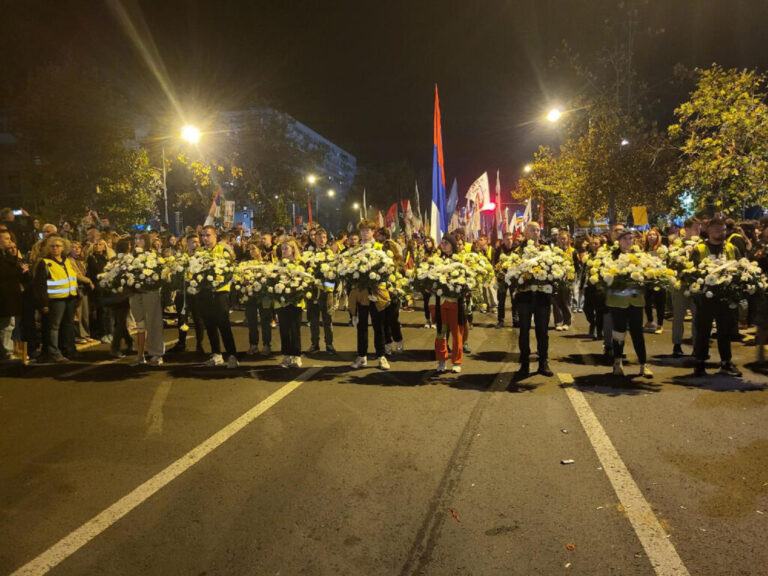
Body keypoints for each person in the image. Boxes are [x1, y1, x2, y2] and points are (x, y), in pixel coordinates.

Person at [692, 218, 742, 377]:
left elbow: (741, 267)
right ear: (709, 231)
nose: (722, 233)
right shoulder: (699, 249)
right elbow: (691, 272)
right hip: (705, 297)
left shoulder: (731, 248)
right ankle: (700, 363)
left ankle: (726, 362)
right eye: (718, 230)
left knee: (725, 331)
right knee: (703, 331)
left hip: (725, 297)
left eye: (724, 230)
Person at [606, 230, 652, 378]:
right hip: (617, 302)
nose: (628, 241)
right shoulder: (610, 257)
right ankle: (617, 362)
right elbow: (605, 278)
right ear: (619, 241)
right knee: (619, 332)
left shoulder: (639, 256)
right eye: (625, 238)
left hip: (635, 301)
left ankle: (643, 364)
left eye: (630, 238)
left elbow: (647, 276)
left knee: (637, 333)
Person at [514, 222, 553, 378]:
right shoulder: (518, 250)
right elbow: (513, 269)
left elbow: (553, 268)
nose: (535, 232)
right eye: (532, 230)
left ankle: (543, 362)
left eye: (537, 230)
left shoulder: (547, 249)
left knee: (542, 331)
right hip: (524, 296)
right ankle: (524, 364)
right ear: (526, 232)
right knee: (524, 331)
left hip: (543, 297)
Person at [349, 219, 389, 370]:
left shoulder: (380, 247)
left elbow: (387, 267)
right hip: (361, 292)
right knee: (362, 325)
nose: (365, 233)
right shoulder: (356, 250)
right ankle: (362, 356)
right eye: (363, 230)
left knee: (378, 325)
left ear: (373, 232)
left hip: (376, 290)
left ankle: (381, 356)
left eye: (368, 230)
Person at [33, 236, 78, 362]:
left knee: (68, 325)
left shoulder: (67, 261)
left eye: (58, 246)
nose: (55, 248)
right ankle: (54, 352)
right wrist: (44, 303)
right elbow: (40, 285)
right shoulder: (45, 263)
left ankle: (67, 349)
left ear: (63, 248)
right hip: (55, 300)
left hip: (70, 298)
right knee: (54, 327)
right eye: (52, 246)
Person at [199, 225, 239, 368]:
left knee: (224, 324)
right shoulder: (200, 252)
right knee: (209, 324)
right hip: (205, 292)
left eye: (208, 235)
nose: (205, 238)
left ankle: (232, 355)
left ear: (215, 236)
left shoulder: (223, 250)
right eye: (203, 235)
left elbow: (230, 270)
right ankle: (216, 354)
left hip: (221, 292)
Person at [129, 233, 165, 367]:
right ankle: (140, 355)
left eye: (141, 239)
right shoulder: (131, 256)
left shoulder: (153, 255)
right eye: (136, 238)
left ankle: (156, 353)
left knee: (153, 321)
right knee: (139, 323)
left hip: (150, 291)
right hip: (135, 292)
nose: (138, 241)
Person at [167, 233, 206, 355]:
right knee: (182, 319)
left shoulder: (203, 258)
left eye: (198, 242)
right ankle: (182, 343)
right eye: (194, 242)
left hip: (197, 294)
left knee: (198, 319)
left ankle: (199, 344)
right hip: (182, 294)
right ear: (187, 244)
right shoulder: (180, 259)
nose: (197, 244)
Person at [432, 234, 464, 373]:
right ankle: (441, 360)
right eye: (442, 242)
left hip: (455, 303)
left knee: (456, 333)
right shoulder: (437, 261)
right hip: (440, 303)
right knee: (441, 332)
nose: (443, 245)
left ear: (453, 245)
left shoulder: (460, 261)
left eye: (446, 243)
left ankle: (456, 361)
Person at [671, 218, 701, 357]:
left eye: (699, 228)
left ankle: (697, 346)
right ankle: (677, 344)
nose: (698, 231)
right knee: (678, 316)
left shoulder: (702, 245)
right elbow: (671, 263)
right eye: (695, 228)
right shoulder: (677, 245)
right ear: (687, 229)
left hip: (697, 285)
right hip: (681, 285)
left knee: (697, 317)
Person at [306, 228, 336, 354]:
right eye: (319, 237)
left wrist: (328, 287)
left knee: (327, 319)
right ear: (315, 239)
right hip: (313, 291)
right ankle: (315, 344)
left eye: (324, 237)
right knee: (313, 320)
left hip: (327, 291)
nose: (322, 240)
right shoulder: (309, 253)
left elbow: (335, 274)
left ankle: (329, 344)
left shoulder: (330, 254)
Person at [276, 239, 304, 368]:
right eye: (282, 248)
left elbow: (304, 281)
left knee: (295, 328)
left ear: (293, 249)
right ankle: (286, 355)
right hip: (282, 301)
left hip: (296, 301)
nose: (283, 251)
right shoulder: (278, 264)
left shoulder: (300, 263)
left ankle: (296, 356)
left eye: (286, 248)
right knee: (284, 329)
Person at [0, 229, 22, 361]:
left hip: (9, 297)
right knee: (6, 326)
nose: (10, 242)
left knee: (9, 325)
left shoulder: (6, 256)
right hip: (4, 298)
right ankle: (6, 353)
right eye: (7, 239)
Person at [643, 228, 666, 334]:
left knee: (659, 303)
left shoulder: (662, 248)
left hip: (659, 279)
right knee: (646, 301)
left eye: (653, 235)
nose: (651, 237)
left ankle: (660, 324)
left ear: (658, 237)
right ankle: (650, 321)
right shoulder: (645, 249)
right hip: (647, 279)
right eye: (649, 235)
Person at [493, 231, 517, 327]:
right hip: (502, 278)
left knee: (515, 299)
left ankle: (516, 320)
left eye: (511, 239)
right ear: (503, 240)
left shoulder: (516, 249)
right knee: (501, 300)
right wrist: (499, 272)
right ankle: (500, 320)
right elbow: (495, 263)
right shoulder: (499, 249)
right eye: (507, 239)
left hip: (513, 278)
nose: (509, 241)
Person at [552, 230, 574, 331]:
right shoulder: (554, 251)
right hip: (556, 279)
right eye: (560, 239)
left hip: (568, 279)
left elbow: (577, 266)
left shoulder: (572, 251)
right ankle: (558, 322)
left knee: (566, 301)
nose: (562, 241)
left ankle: (567, 322)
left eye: (564, 239)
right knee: (556, 302)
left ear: (568, 239)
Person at [421, 236, 438, 328]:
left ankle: (435, 321)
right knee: (426, 301)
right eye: (425, 241)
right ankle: (427, 320)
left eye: (429, 241)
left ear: (432, 243)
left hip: (434, 279)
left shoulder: (437, 253)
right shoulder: (422, 253)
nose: (427, 243)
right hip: (425, 279)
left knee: (435, 302)